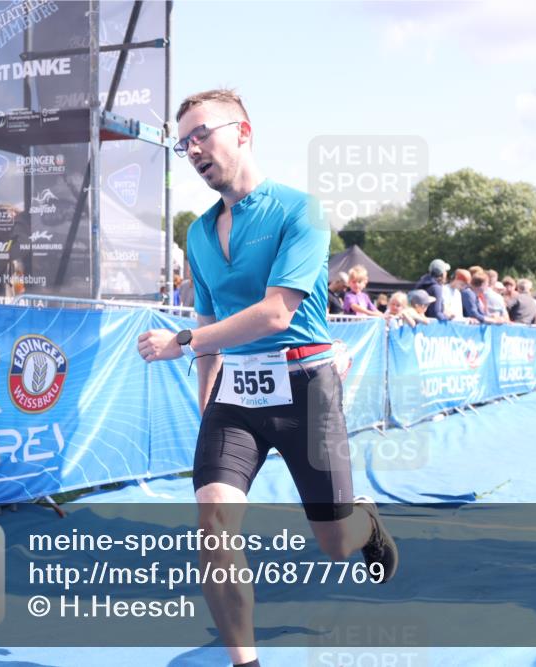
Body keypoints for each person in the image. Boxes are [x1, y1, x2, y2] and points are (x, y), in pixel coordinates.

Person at [135, 89, 397, 667]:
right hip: (234, 397)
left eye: (201, 134)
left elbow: (276, 313)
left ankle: (364, 522)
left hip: (307, 390)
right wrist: (207, 410)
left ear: (243, 131)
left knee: (334, 543)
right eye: (183, 143)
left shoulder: (301, 210)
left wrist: (182, 342)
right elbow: (210, 325)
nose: (193, 149)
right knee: (212, 521)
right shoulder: (199, 233)